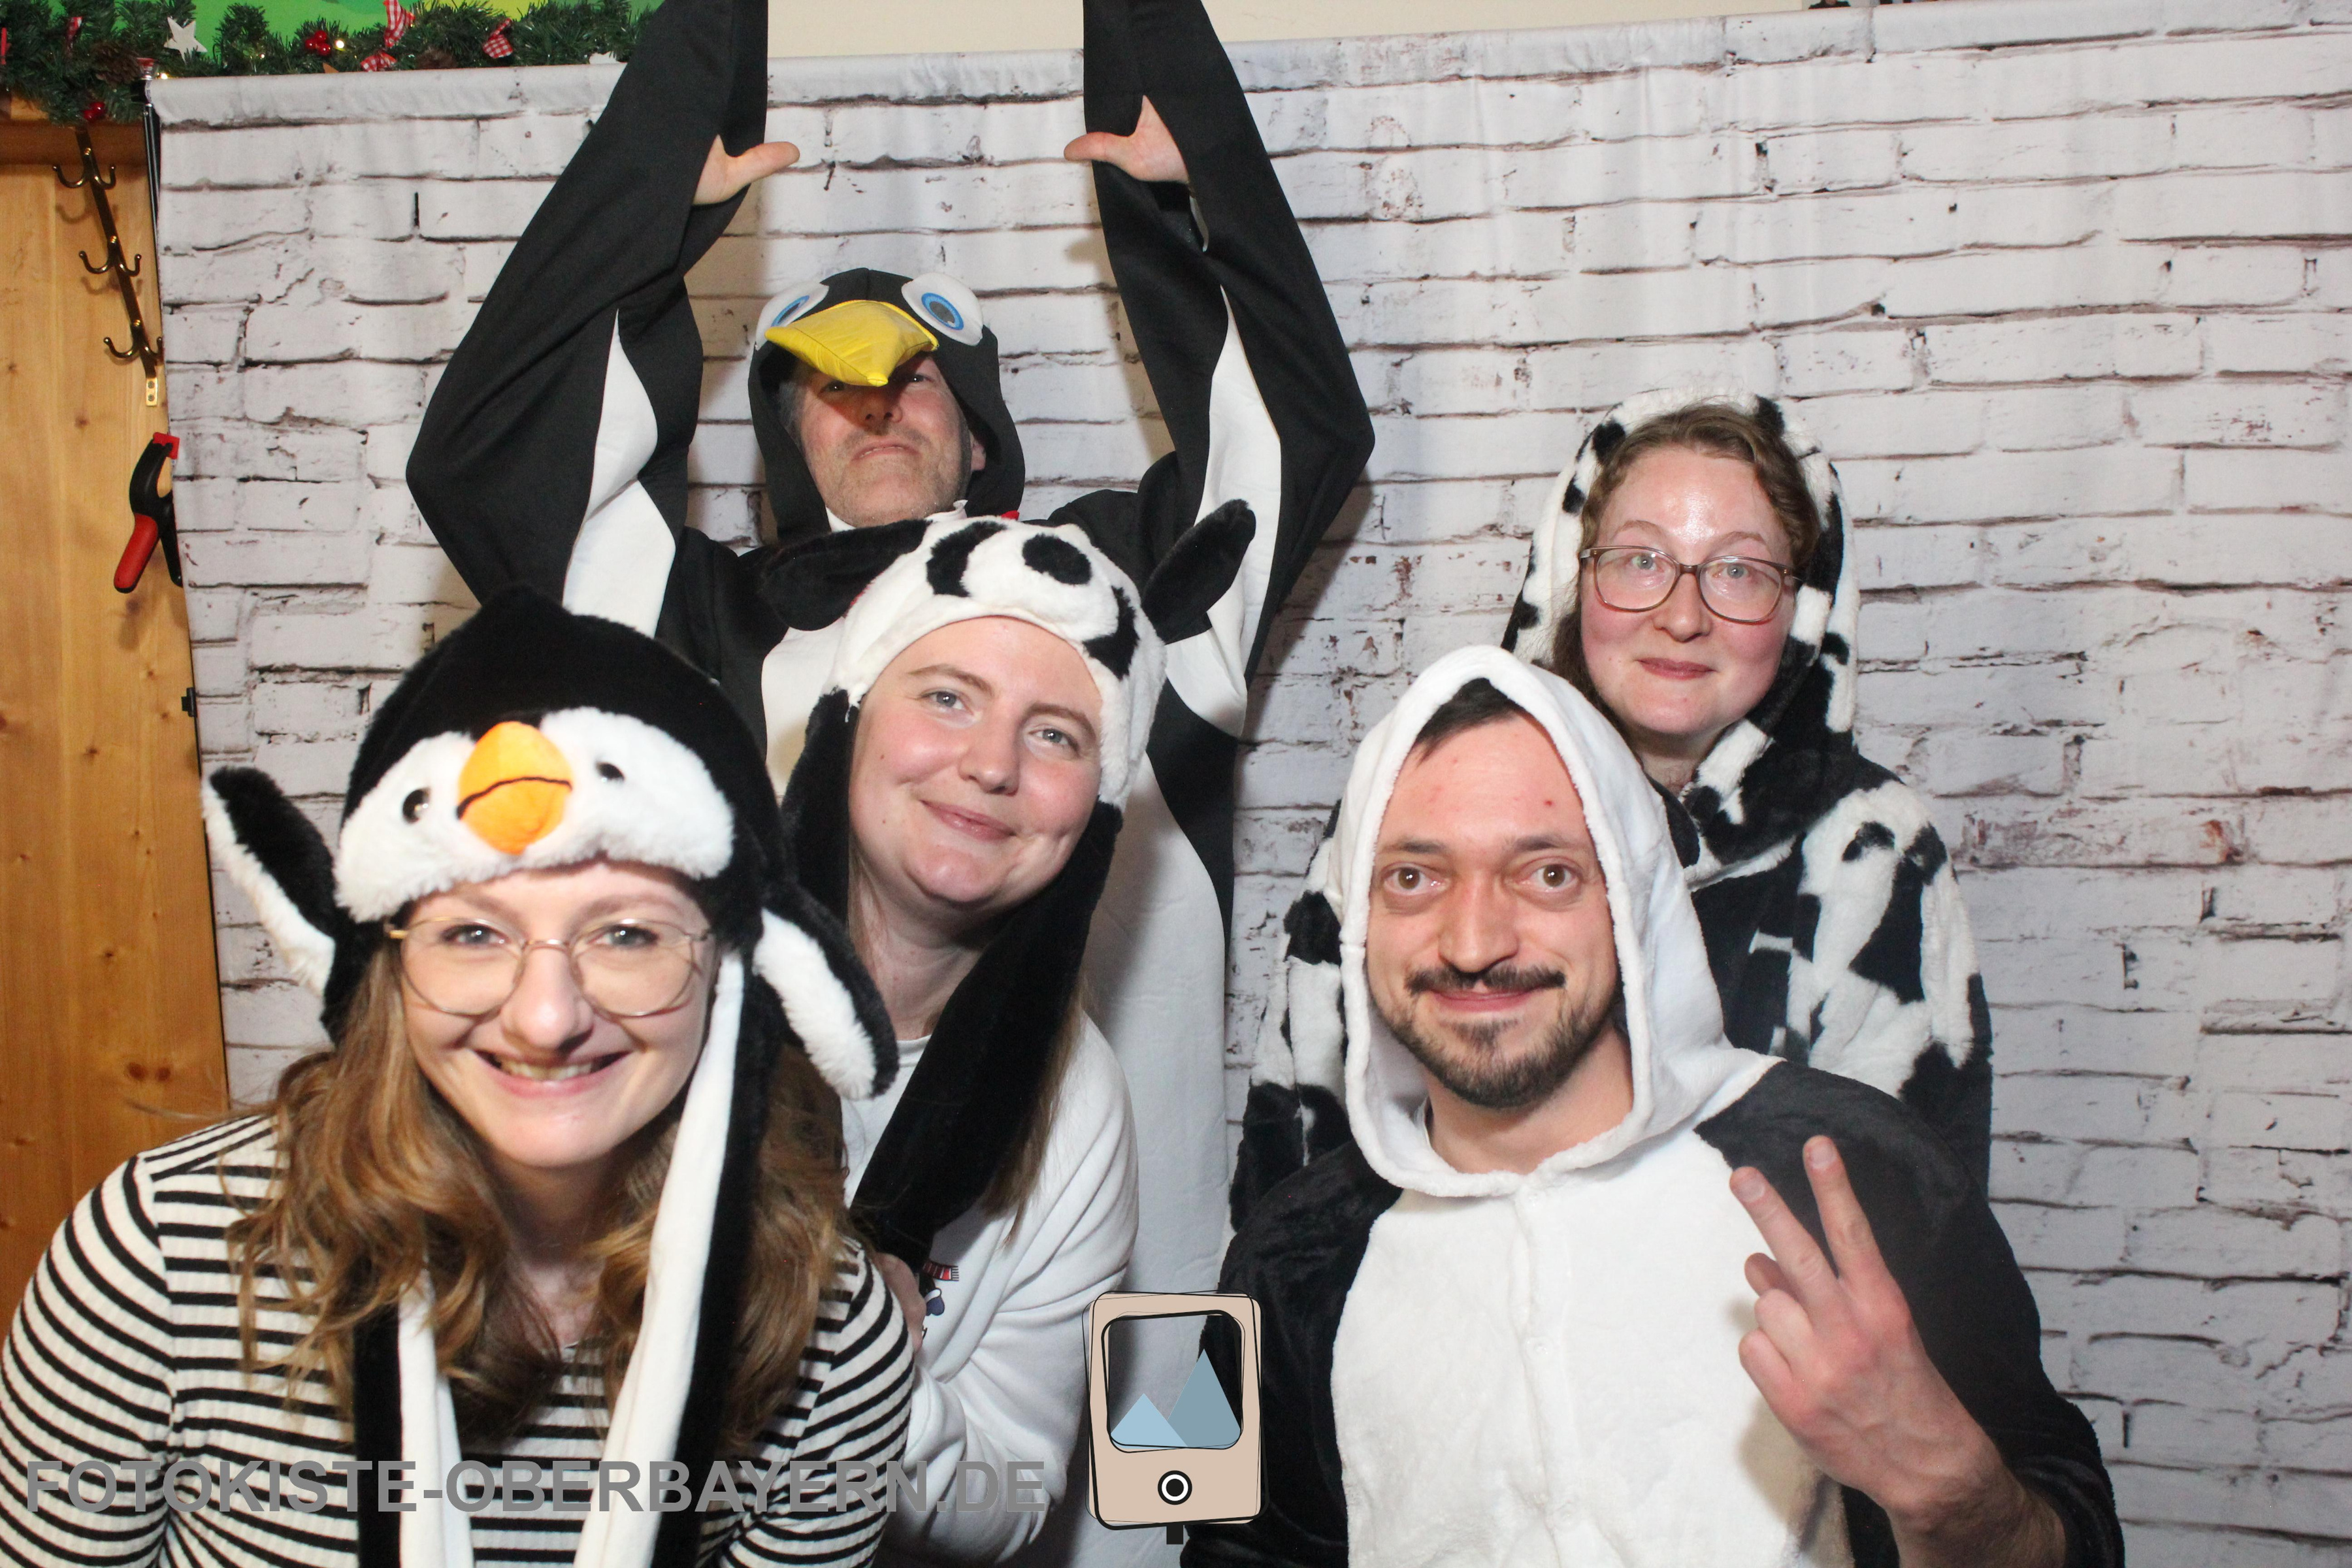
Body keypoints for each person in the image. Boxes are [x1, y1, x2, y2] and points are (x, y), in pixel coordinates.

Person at [406, 2, 1375, 1501]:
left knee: (1163, 1537)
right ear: (780, 443)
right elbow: (486, 461)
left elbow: (1294, 439)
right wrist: (654, 180)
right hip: (780, 1281)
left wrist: (1195, 181)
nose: (872, 399)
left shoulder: (1114, 596)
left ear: (980, 429)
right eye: (823, 382)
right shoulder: (703, 627)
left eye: (916, 373)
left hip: (1145, 1273)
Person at [0, 589, 913, 1568]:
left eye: (627, 935)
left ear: (738, 972)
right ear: (386, 963)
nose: (547, 1018)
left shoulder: (834, 1340)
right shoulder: (160, 1261)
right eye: (474, 933)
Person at [1186, 648, 2121, 1568]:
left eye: (1547, 873)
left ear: (1633, 898)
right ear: (1359, 919)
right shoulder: (1290, 1260)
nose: (1473, 943)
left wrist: (1951, 1497)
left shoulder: (1857, 1173)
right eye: (1414, 878)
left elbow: (2069, 1537)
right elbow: (1225, 1546)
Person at [1235, 389, 1991, 1232]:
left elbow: (1912, 1212)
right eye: (1639, 560)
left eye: (1738, 571)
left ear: (1803, 609)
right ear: (1573, 575)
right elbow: (1299, 1120)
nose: (1681, 617)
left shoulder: (1869, 849)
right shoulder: (1425, 792)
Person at [772, 513, 1166, 1561]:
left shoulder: (1077, 1107)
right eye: (948, 697)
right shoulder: (660, 986)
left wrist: (871, 1366)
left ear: (1097, 807)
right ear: (852, 716)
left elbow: (1013, 1496)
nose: (992, 765)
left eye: (1055, 735)